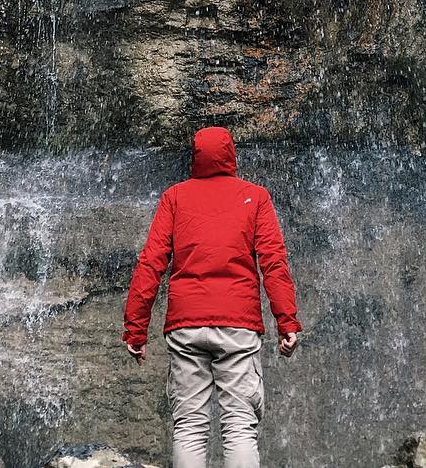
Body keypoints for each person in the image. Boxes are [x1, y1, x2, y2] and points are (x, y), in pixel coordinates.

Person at [123, 125, 301, 468]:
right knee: (238, 426)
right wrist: (287, 322)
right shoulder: (255, 196)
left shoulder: (175, 197)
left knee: (189, 426)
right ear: (231, 154)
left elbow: (150, 264)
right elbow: (273, 262)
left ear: (196, 156)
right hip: (238, 325)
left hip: (185, 325)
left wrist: (135, 328)